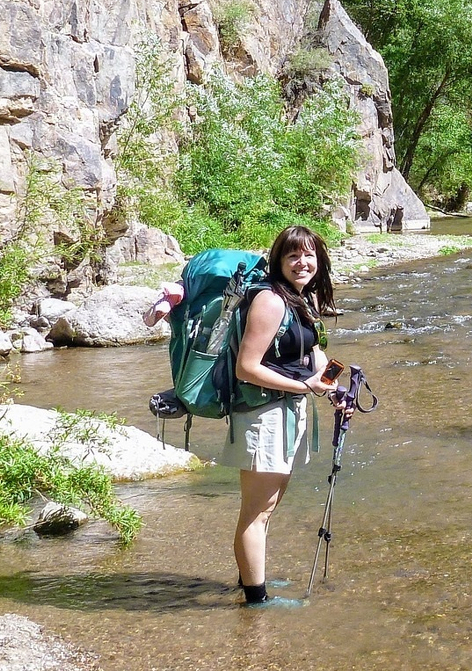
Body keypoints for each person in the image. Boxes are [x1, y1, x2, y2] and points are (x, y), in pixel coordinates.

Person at [144, 225, 337, 609]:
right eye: (293, 256)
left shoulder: (300, 298)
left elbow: (311, 353)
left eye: (309, 255)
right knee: (256, 513)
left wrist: (333, 388)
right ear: (279, 261)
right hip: (263, 416)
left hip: (287, 412)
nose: (302, 263)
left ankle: (251, 575)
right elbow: (246, 368)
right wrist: (305, 386)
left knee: (267, 507)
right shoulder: (270, 301)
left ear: (320, 259)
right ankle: (256, 600)